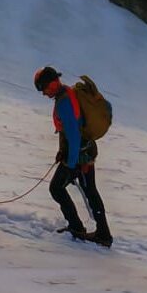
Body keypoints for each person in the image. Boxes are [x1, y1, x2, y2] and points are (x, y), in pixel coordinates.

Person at [34, 66, 113, 247]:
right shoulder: (66, 94)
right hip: (83, 152)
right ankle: (98, 232)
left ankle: (94, 232)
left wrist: (70, 164)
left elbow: (74, 134)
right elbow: (69, 132)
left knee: (57, 188)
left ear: (52, 84)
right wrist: (63, 152)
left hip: (80, 157)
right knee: (89, 191)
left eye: (42, 89)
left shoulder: (64, 102)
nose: (43, 93)